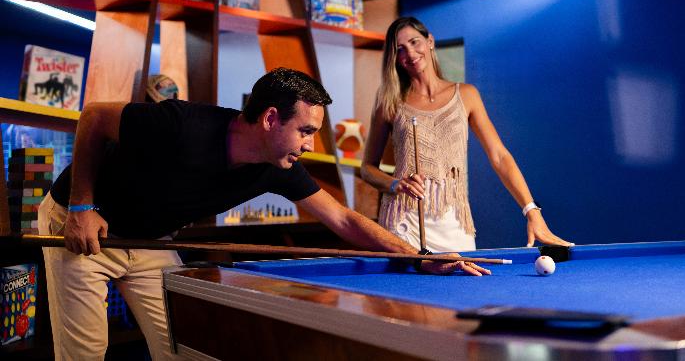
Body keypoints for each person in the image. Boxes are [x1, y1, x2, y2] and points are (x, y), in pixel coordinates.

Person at [38, 67, 489, 361]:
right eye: (305, 131)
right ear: (271, 119)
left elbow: (344, 220)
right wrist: (81, 206)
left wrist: (420, 257)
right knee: (86, 354)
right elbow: (94, 118)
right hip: (84, 225)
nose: (309, 144)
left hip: (149, 240)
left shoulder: (278, 166)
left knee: (183, 348)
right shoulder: (181, 125)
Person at [361, 17, 573, 253]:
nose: (410, 53)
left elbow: (500, 156)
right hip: (404, 222)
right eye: (400, 49)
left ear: (430, 41)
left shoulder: (466, 94)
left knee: (464, 275)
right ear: (394, 57)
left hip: (454, 221)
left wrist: (532, 211)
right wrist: (396, 184)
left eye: (414, 42)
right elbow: (367, 168)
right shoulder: (389, 100)